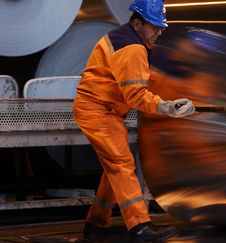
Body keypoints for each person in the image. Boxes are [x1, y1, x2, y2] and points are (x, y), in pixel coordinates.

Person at [72, 0, 194, 241]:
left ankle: (96, 225)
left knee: (114, 169)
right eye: (155, 27)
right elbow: (135, 95)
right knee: (122, 165)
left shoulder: (125, 38)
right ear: (137, 23)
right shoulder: (132, 48)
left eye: (161, 28)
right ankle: (140, 226)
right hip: (98, 111)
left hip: (101, 109)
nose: (159, 32)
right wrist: (166, 106)